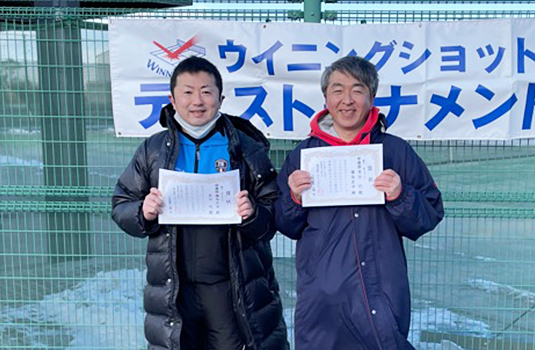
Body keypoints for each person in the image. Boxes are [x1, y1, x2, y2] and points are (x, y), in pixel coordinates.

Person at [112, 56, 289, 350]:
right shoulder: (153, 149)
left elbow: (274, 211)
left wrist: (253, 214)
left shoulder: (245, 148)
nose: (197, 101)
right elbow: (121, 203)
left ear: (220, 97)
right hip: (174, 289)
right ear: (172, 98)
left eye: (206, 92)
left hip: (231, 289)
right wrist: (143, 212)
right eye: (187, 92)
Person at [274, 55, 444, 350]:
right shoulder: (303, 155)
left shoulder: (395, 151)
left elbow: (429, 214)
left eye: (357, 89)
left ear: (371, 96)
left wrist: (400, 195)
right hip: (321, 296)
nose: (347, 100)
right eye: (337, 90)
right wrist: (294, 198)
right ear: (326, 97)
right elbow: (284, 223)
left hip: (381, 290)